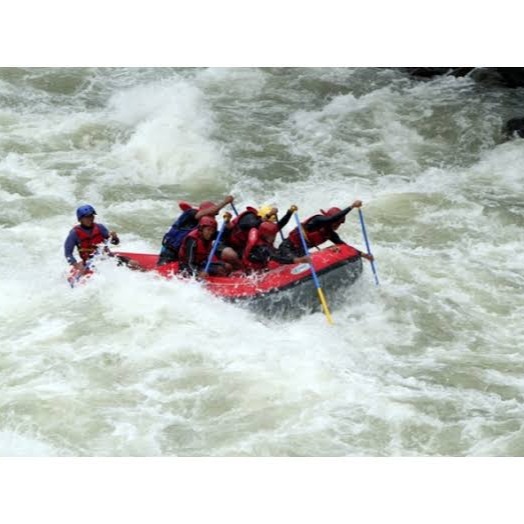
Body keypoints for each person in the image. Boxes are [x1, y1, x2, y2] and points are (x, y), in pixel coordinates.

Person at [278, 200, 374, 261]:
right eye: (336, 223)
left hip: (301, 253)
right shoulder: (318, 220)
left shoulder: (330, 234)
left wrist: (364, 255)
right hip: (287, 248)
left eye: (339, 224)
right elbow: (331, 219)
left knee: (335, 249)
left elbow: (344, 245)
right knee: (296, 262)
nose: (337, 226)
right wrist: (351, 206)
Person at [157, 195, 234, 266]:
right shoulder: (190, 214)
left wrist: (227, 222)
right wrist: (224, 202)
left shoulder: (207, 229)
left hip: (187, 255)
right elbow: (208, 212)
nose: (213, 218)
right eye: (213, 215)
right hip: (170, 252)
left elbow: (223, 236)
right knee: (163, 268)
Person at [220, 203, 296, 267]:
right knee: (263, 254)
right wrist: (294, 261)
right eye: (270, 222)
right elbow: (253, 224)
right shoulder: (249, 221)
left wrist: (289, 213)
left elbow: (280, 225)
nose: (272, 225)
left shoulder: (264, 228)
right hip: (238, 248)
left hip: (252, 247)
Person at [64, 204, 121, 276]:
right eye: (87, 217)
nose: (90, 219)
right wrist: (76, 265)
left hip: (108, 258)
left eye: (91, 216)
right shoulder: (74, 233)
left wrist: (114, 238)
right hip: (90, 263)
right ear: (80, 219)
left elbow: (114, 243)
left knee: (133, 263)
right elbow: (68, 253)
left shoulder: (100, 227)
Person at [242, 221, 311, 272]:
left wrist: (289, 212)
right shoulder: (261, 248)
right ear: (265, 235)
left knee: (285, 252)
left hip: (263, 259)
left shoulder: (262, 236)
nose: (274, 237)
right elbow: (276, 258)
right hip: (255, 270)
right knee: (280, 256)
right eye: (273, 235)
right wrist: (297, 260)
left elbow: (279, 225)